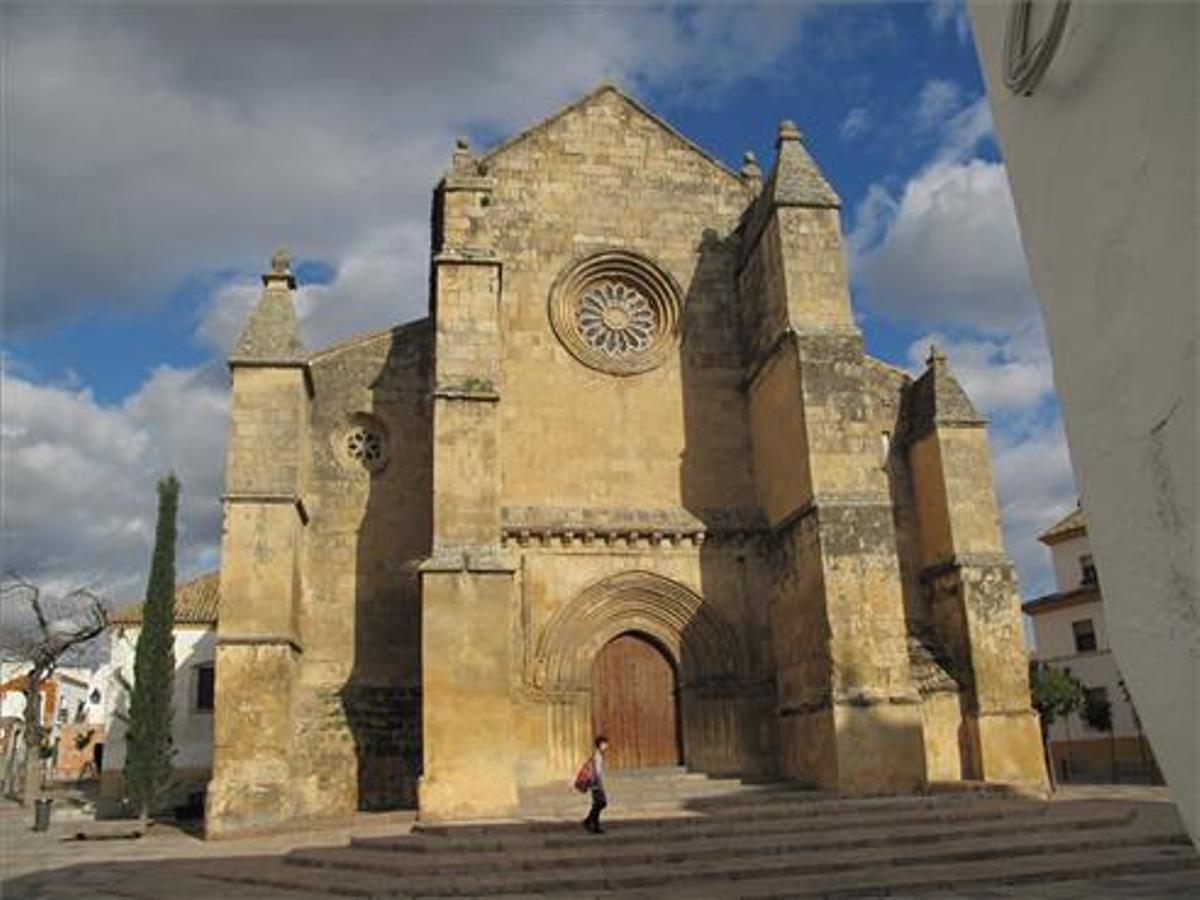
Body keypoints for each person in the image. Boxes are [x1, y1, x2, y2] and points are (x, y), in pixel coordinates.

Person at [583, 735, 609, 834]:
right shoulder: (597, 755)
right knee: (601, 803)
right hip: (596, 782)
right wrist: (598, 783)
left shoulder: (597, 754)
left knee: (599, 803)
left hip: (594, 782)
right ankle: (591, 822)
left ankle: (592, 822)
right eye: (605, 744)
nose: (606, 746)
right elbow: (597, 771)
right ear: (601, 744)